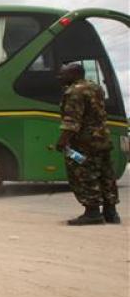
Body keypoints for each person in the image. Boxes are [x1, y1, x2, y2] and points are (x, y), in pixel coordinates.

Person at [55, 62, 120, 225]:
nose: (60, 77)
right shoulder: (95, 87)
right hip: (103, 139)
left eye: (64, 74)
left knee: (84, 173)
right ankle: (111, 212)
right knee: (106, 174)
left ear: (75, 74)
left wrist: (62, 142)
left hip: (85, 143)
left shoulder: (74, 92)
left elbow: (72, 122)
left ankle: (92, 213)